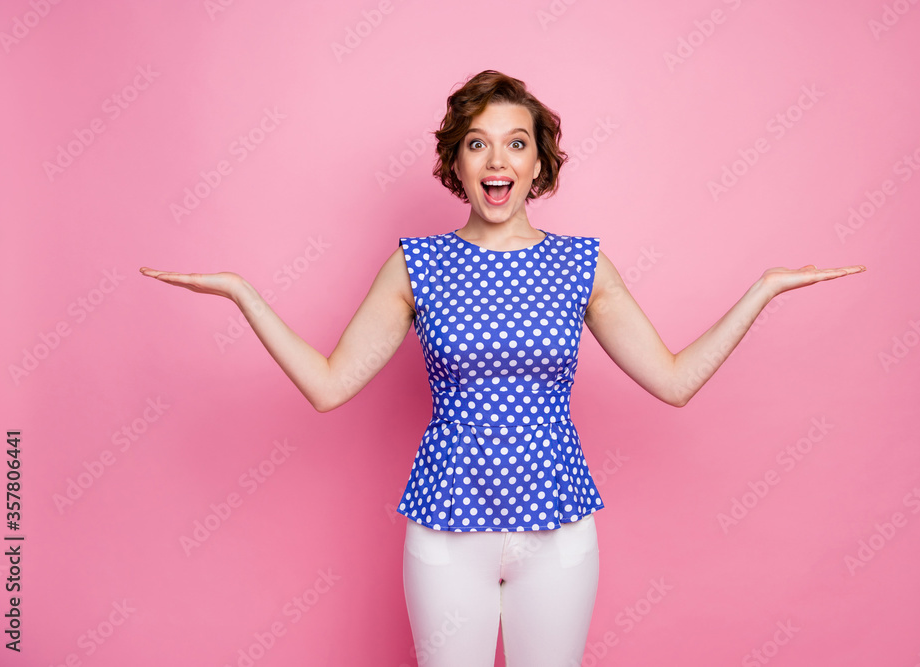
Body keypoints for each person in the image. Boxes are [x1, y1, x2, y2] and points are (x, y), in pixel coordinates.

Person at [140, 70, 865, 666]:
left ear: (538, 163)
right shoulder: (415, 265)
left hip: (558, 535)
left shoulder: (581, 265)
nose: (498, 161)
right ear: (455, 161)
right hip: (446, 534)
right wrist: (244, 295)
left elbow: (673, 380)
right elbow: (330, 386)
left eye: (516, 144)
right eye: (479, 144)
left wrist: (763, 290)